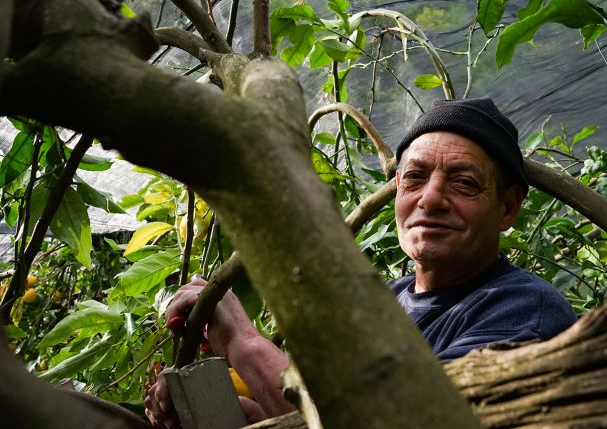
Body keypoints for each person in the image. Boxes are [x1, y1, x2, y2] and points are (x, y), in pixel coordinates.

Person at [144, 98, 577, 427]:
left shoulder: (525, 313)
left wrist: (243, 342)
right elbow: (297, 415)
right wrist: (204, 406)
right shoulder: (384, 301)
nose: (430, 199)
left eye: (463, 183)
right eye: (415, 178)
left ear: (507, 209)